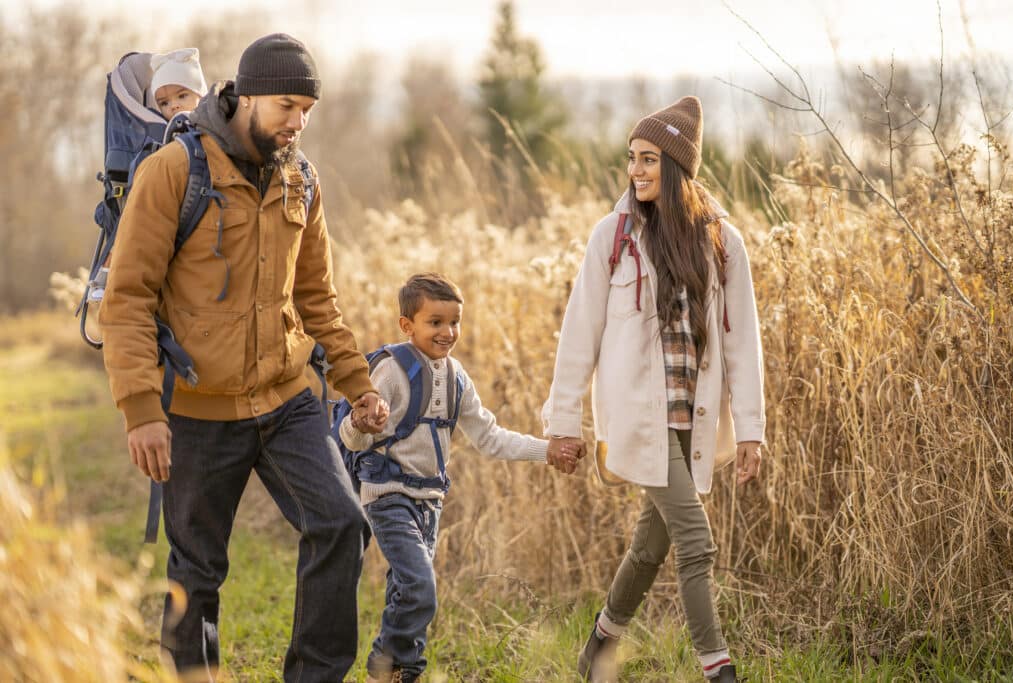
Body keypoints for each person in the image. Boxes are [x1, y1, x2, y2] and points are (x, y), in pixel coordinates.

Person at [98, 33, 388, 682]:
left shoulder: (301, 179)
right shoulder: (174, 171)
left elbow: (317, 296)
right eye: (287, 106)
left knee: (341, 525)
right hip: (197, 409)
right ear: (247, 97)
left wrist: (356, 382)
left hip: (287, 401)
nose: (297, 123)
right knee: (196, 570)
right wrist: (142, 407)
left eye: (307, 111)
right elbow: (129, 298)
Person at [542, 96, 765, 682]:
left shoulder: (722, 242)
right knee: (697, 540)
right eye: (632, 158)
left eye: (648, 159)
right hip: (636, 416)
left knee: (650, 547)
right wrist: (563, 421)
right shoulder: (611, 236)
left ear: (677, 167)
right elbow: (578, 333)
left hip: (693, 417)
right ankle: (718, 668)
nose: (636, 170)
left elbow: (743, 342)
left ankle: (599, 648)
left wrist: (751, 429)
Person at [339, 272, 581, 683]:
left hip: (430, 501)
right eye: (435, 322)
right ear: (407, 325)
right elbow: (353, 436)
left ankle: (405, 672)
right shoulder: (391, 372)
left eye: (454, 322)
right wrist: (361, 421)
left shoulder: (456, 378)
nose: (448, 332)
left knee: (405, 589)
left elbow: (489, 438)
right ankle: (384, 666)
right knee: (420, 587)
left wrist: (548, 449)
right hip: (389, 495)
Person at [150, 47, 207, 121]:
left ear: (200, 95)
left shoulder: (216, 123)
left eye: (182, 96)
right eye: (164, 103)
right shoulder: (165, 130)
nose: (174, 106)